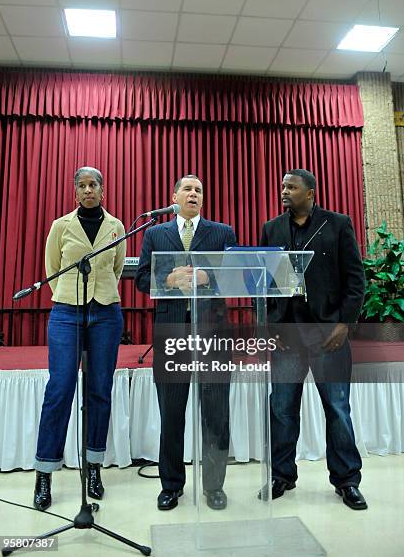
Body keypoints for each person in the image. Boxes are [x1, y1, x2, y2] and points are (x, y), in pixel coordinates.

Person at [259, 169, 367, 510]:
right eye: (282, 186)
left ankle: (347, 481)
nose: (284, 191)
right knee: (282, 408)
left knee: (337, 408)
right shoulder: (271, 229)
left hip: (328, 334)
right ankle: (282, 475)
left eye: (291, 187)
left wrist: (344, 324)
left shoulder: (337, 224)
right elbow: (263, 280)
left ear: (311, 192)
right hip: (287, 333)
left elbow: (355, 279)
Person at [135, 175, 237, 511]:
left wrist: (210, 277)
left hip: (213, 333)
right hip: (172, 332)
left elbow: (237, 274)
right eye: (188, 189)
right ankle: (171, 485)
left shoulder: (223, 232)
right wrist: (166, 278)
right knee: (172, 413)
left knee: (216, 413)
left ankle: (214, 486)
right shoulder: (155, 233)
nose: (193, 194)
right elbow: (140, 278)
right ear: (174, 195)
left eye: (199, 190)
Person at [33, 167, 126, 511]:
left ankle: (94, 467)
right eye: (82, 186)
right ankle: (44, 471)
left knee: (100, 389)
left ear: (103, 190)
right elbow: (51, 268)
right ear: (75, 193)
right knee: (60, 388)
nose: (88, 190)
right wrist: (69, 296)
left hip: (106, 312)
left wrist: (99, 293)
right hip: (66, 312)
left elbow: (116, 268)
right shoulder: (61, 226)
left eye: (94, 185)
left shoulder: (116, 227)